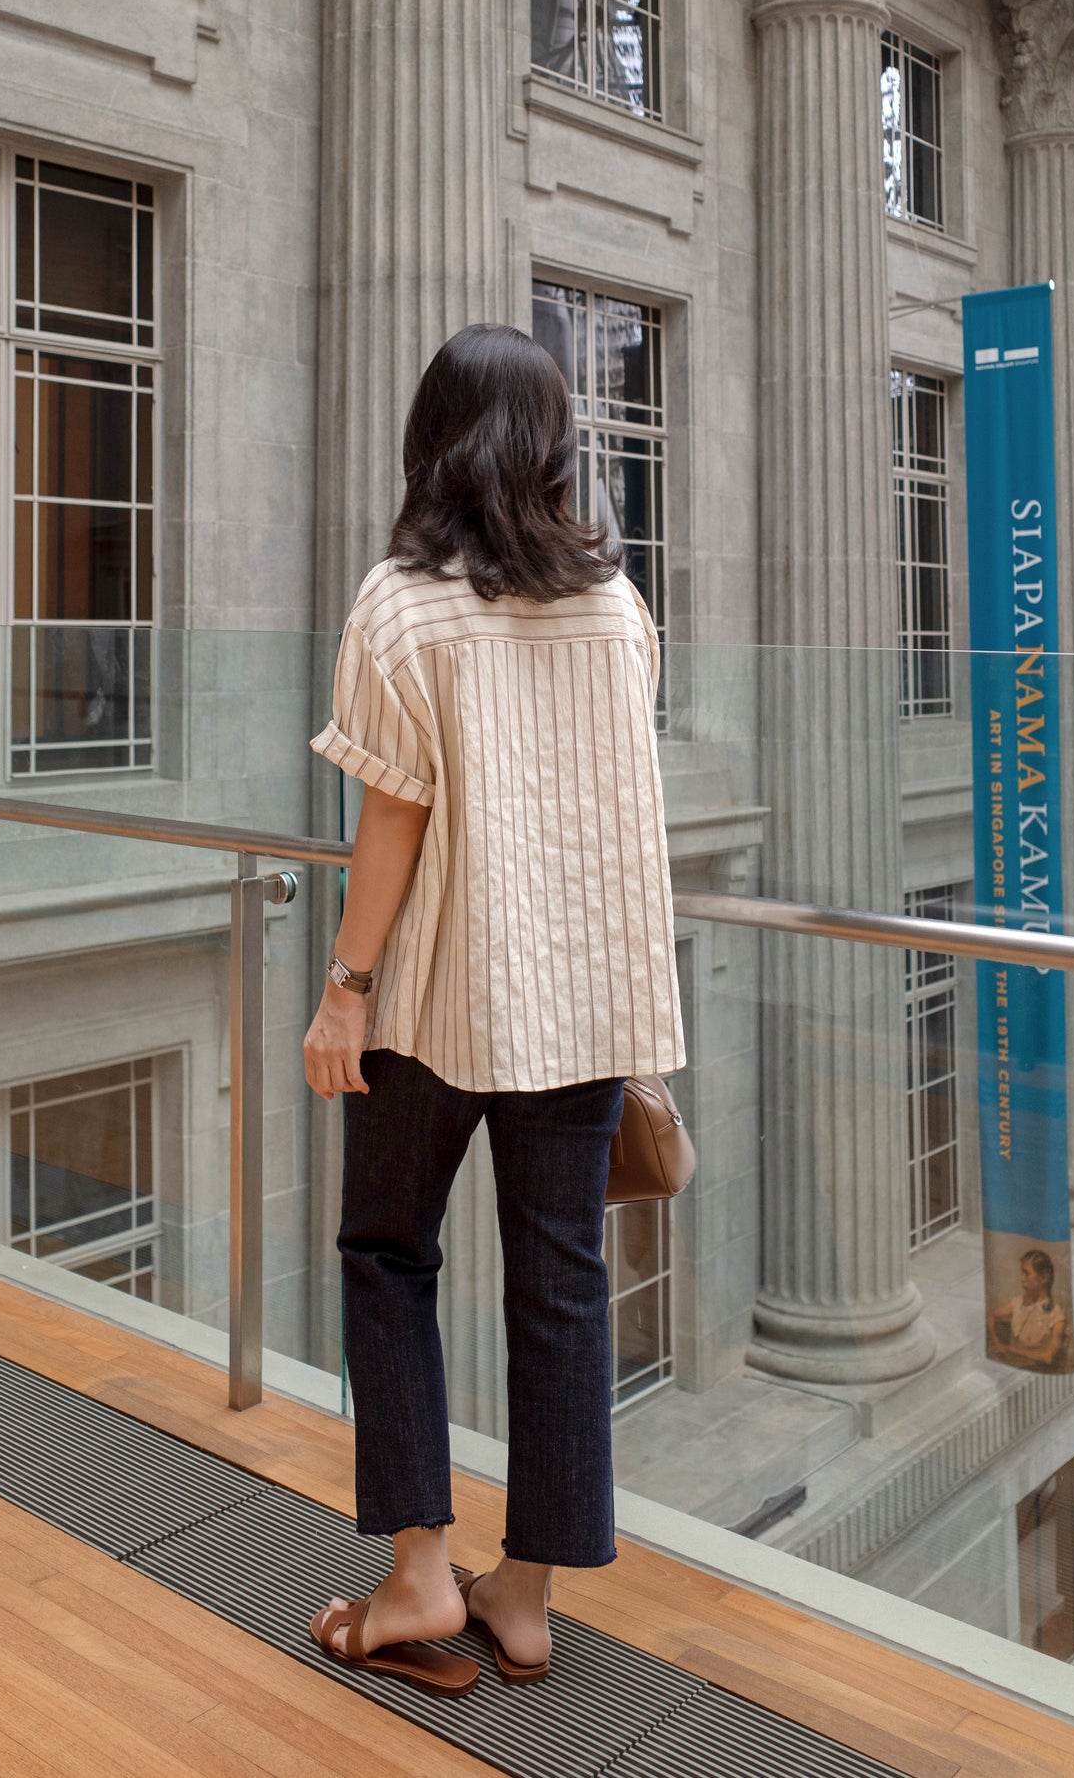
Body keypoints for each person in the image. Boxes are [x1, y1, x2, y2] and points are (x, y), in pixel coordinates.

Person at [303, 323, 684, 1696]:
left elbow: (391, 824)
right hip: (583, 1002)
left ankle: (418, 1576)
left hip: (437, 1002)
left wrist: (343, 991)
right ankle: (521, 1599)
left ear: (433, 438)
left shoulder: (400, 603)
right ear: (551, 442)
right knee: (562, 1285)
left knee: (388, 1252)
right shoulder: (616, 607)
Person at [989, 1248, 1070, 1371]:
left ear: (1044, 1278)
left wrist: (1009, 1349)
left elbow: (1048, 1357)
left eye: (1026, 1273)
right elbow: (990, 1314)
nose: (1022, 1278)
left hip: (1034, 1372)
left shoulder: (1056, 1316)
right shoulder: (1018, 1302)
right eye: (1021, 1273)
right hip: (1008, 1367)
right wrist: (995, 1340)